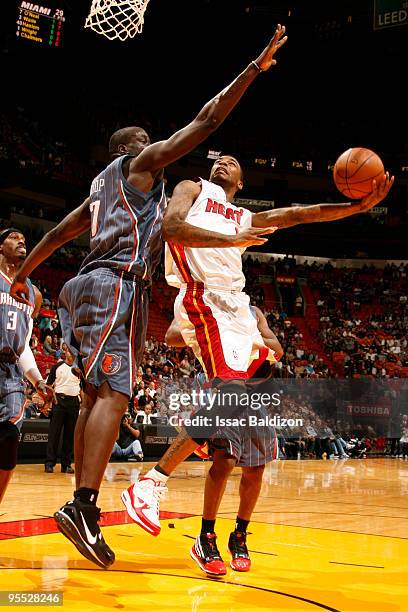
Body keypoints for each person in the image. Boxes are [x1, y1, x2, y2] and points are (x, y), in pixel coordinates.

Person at [9, 26, 288, 569]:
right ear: (128, 150)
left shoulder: (96, 194)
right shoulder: (135, 169)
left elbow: (58, 234)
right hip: (116, 284)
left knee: (94, 398)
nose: (153, 147)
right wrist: (253, 68)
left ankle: (81, 507)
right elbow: (207, 120)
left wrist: (24, 276)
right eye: (144, 141)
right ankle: (86, 506)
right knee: (113, 396)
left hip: (83, 288)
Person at [120, 153, 394, 539]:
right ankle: (151, 481)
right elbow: (173, 228)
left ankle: (203, 429)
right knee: (231, 392)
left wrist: (357, 207)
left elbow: (301, 213)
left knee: (259, 374)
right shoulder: (193, 189)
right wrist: (232, 240)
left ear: (242, 181)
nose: (223, 163)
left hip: (238, 306)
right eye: (219, 160)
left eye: (233, 162)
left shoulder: (245, 217)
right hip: (204, 297)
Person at [165, 305, 283, 575]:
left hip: (253, 394)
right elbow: (171, 336)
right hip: (219, 388)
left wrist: (246, 335)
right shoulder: (198, 302)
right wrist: (213, 333)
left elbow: (277, 350)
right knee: (225, 461)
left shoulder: (253, 311)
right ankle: (206, 537)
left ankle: (239, 535)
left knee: (255, 470)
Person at [0, 228, 53, 505]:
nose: (22, 241)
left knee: (9, 439)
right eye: (13, 237)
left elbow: (24, 347)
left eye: (24, 237)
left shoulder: (33, 294)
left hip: (10, 373)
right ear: (0, 247)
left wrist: (38, 380)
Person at [44, 347, 81, 474]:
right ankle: (49, 463)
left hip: (74, 403)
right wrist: (52, 396)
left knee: (70, 435)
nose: (71, 354)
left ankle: (66, 464)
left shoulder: (79, 369)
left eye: (73, 352)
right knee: (54, 433)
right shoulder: (57, 367)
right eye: (69, 351)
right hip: (59, 401)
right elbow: (48, 385)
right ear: (65, 353)